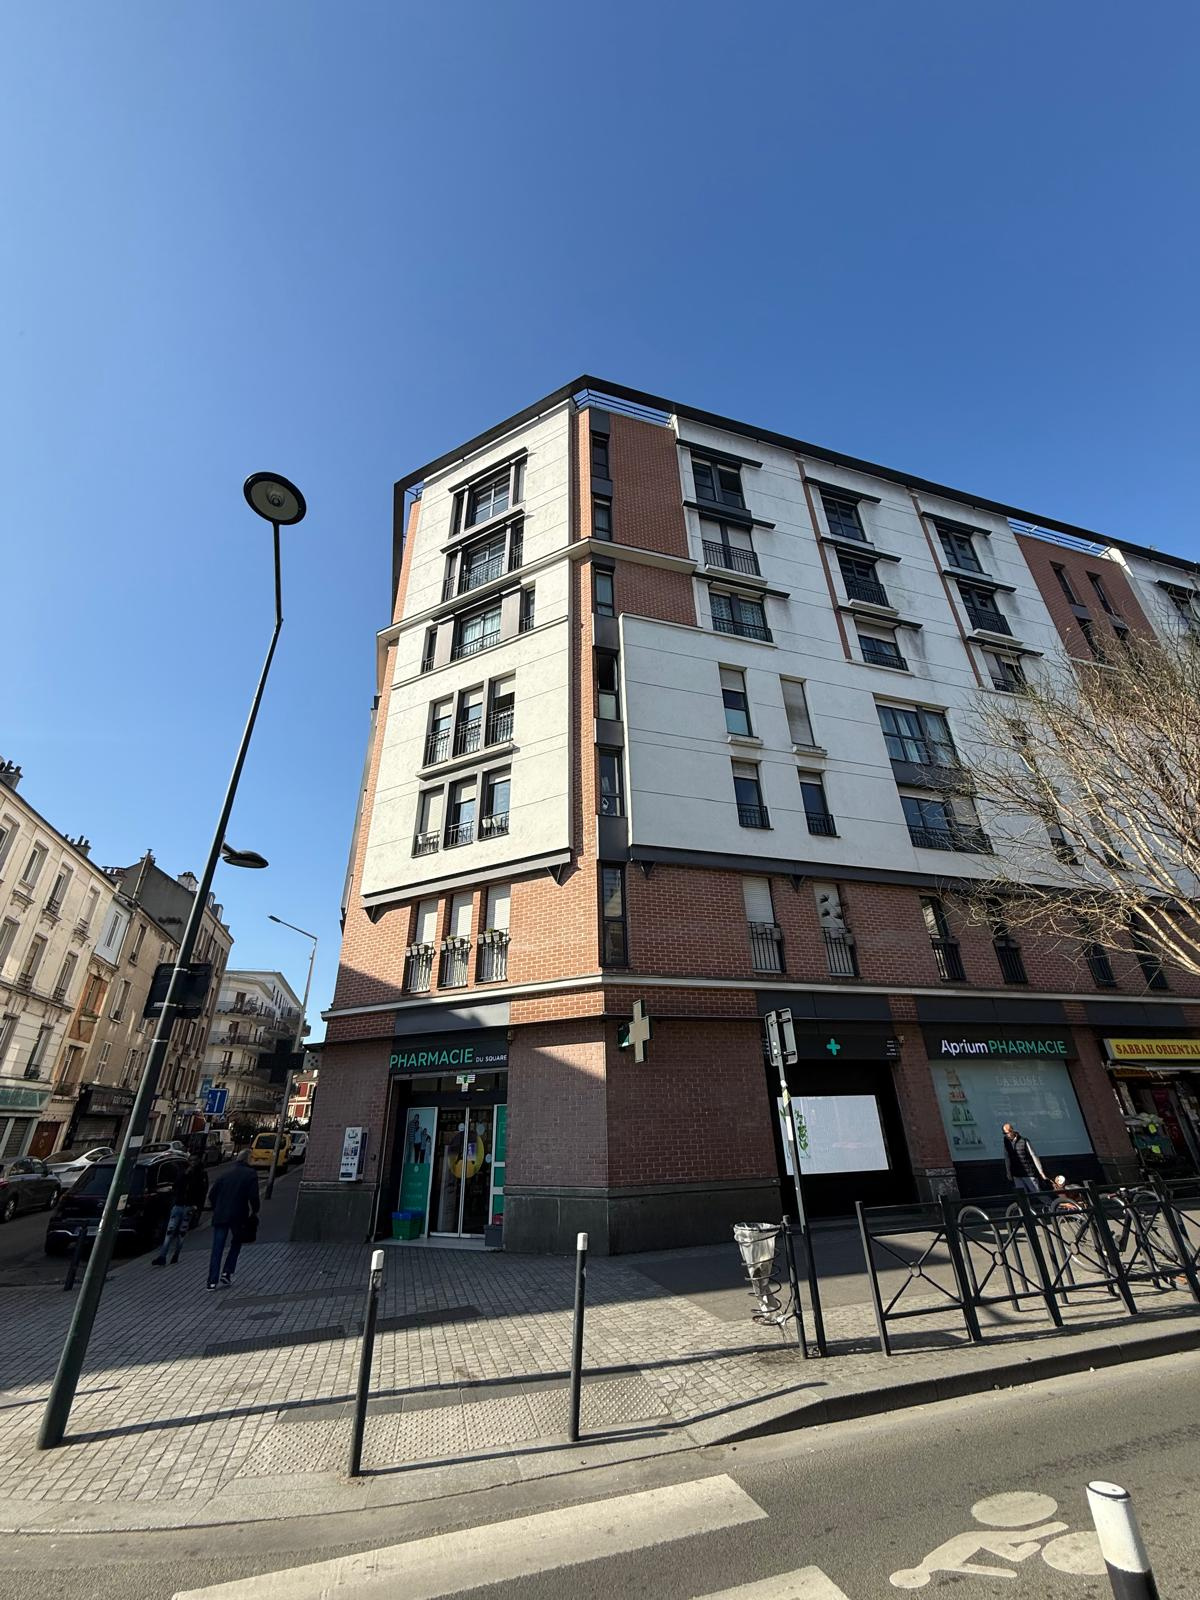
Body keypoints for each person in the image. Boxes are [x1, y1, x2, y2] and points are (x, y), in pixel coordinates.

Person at [206, 1148, 261, 1289]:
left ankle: (212, 1281)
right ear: (248, 1159)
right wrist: (255, 1210)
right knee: (236, 1242)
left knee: (217, 1247)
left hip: (221, 1214)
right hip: (238, 1215)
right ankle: (227, 1272)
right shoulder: (250, 1174)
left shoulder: (225, 1173)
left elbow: (212, 1194)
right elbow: (253, 1196)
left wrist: (217, 1207)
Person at [152, 1153, 208, 1266]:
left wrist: (197, 1206)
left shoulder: (201, 1174)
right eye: (190, 1160)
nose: (192, 1163)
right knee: (170, 1231)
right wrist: (184, 1175)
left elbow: (202, 1192)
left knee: (181, 1233)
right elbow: (176, 1186)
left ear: (198, 1162)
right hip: (179, 1205)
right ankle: (163, 1256)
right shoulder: (184, 1172)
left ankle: (175, 1255)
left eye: (194, 1161)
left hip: (189, 1206)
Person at [1002, 1122, 1047, 1196]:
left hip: (1028, 1173)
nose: (1007, 1135)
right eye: (1005, 1133)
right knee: (1022, 1196)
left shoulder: (1024, 1141)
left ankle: (1050, 1203)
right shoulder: (1006, 1143)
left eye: (1008, 1132)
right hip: (1016, 1174)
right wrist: (1009, 1173)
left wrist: (1041, 1171)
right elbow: (1007, 1158)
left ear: (1012, 1130)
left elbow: (1034, 1155)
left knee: (1037, 1193)